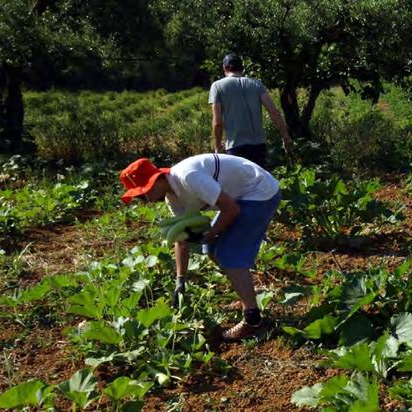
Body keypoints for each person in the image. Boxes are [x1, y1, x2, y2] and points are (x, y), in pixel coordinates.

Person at [119, 153, 281, 341]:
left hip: (259, 192)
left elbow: (231, 209)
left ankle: (253, 321)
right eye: (139, 197)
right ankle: (246, 298)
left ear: (157, 180)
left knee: (229, 255)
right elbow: (182, 239)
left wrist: (211, 233)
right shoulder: (173, 198)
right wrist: (181, 279)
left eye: (143, 193)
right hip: (239, 197)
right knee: (211, 250)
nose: (144, 200)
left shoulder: (188, 177)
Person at [209, 53, 295, 169]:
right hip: (259, 146)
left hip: (236, 147)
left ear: (225, 68)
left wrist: (218, 146)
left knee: (241, 185)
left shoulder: (217, 86)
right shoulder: (256, 84)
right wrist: (286, 136)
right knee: (260, 183)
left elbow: (217, 122)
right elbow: (274, 112)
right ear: (241, 67)